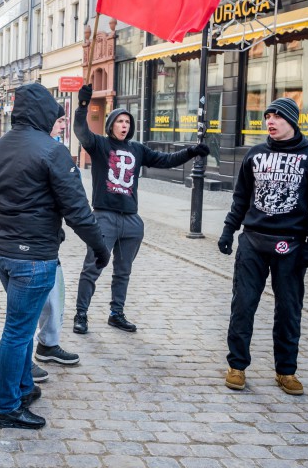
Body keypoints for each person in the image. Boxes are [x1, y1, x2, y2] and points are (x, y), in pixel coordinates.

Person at [0, 84, 110, 430]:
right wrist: (100, 249)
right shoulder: (52, 152)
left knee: (22, 330)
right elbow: (79, 211)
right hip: (33, 256)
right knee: (17, 331)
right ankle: (7, 406)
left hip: (2, 252)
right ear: (43, 113)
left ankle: (23, 388)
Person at [71, 84, 208, 334]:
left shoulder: (137, 149)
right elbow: (81, 131)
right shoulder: (99, 145)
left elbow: (165, 161)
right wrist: (82, 106)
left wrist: (192, 152)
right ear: (111, 124)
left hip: (131, 221)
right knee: (92, 268)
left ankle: (116, 313)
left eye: (127, 122)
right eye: (120, 121)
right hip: (104, 218)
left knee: (123, 271)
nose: (124, 125)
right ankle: (81, 315)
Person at [218, 97, 308, 396]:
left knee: (289, 310)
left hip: (291, 245)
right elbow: (241, 197)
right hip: (253, 241)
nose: (271, 121)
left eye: (278, 116)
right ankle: (237, 366)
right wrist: (229, 231)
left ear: (292, 121)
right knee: (243, 305)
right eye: (268, 116)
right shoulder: (255, 154)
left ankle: (286, 371)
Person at [32, 114, 81, 378]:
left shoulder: (55, 152)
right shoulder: (40, 151)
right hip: (30, 243)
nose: (63, 125)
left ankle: (48, 344)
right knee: (28, 306)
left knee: (55, 293)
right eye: (59, 120)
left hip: (49, 239)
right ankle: (21, 362)